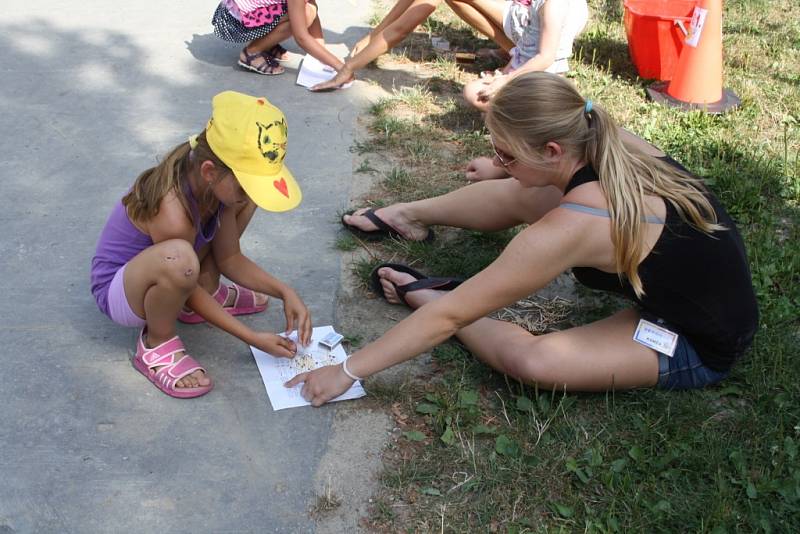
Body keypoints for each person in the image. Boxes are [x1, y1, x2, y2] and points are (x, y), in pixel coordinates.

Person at [288, 72, 758, 405]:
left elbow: (453, 317)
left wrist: (345, 372)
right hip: (699, 287)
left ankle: (427, 294)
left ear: (552, 149)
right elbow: (532, 178)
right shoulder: (600, 134)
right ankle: (408, 215)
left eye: (506, 153)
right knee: (527, 191)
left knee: (536, 362)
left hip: (697, 339)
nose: (498, 161)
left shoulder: (573, 226)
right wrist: (504, 168)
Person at [91, 91, 312, 398]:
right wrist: (251, 338)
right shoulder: (172, 212)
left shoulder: (213, 184)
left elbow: (230, 258)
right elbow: (186, 278)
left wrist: (286, 292)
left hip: (174, 271)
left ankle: (199, 295)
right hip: (122, 293)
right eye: (244, 184)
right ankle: (156, 343)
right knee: (181, 262)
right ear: (209, 171)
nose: (247, 194)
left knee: (240, 207)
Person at [311, 0, 588, 96]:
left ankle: (517, 54)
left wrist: (348, 68)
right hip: (540, 28)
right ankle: (515, 51)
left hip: (540, 37)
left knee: (476, 95)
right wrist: (374, 34)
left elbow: (402, 28)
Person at [461, 0, 589, 111]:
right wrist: (504, 74)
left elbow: (546, 58)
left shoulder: (554, 5)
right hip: (528, 70)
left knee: (473, 92)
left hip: (539, 81)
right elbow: (525, 44)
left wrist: (507, 79)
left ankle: (529, 118)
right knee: (475, 91)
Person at [212, 0, 345, 76]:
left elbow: (312, 4)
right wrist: (342, 68)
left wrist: (321, 53)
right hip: (236, 20)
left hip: (249, 12)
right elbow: (301, 37)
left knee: (309, 9)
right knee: (305, 14)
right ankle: (252, 53)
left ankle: (267, 42)